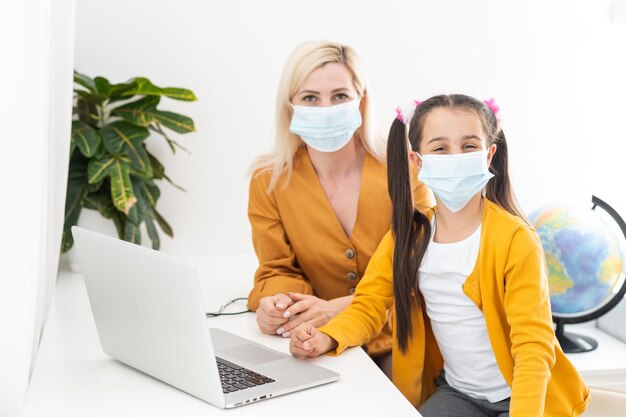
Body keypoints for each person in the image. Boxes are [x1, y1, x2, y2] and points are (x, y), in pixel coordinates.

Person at [289, 94, 589, 416]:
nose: (455, 156)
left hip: (523, 399)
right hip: (458, 393)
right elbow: (370, 304)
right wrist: (327, 338)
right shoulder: (408, 239)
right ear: (418, 161)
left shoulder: (515, 239)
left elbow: (533, 344)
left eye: (469, 146)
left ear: (489, 155)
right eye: (441, 148)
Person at [246, 40, 432, 368]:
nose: (325, 108)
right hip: (316, 342)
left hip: (401, 339)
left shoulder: (406, 169)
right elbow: (277, 267)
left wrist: (338, 307)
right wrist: (279, 305)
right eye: (309, 98)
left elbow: (424, 270)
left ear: (361, 101)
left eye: (340, 96)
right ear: (290, 104)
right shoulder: (269, 179)